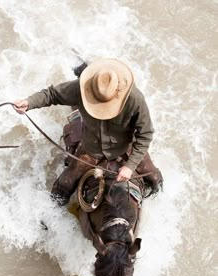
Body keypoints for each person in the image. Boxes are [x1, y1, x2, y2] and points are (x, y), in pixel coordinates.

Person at [14, 58, 163, 206]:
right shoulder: (82, 88)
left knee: (154, 177)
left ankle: (159, 201)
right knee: (63, 187)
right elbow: (52, 94)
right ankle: (49, 221)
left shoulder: (134, 99)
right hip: (91, 149)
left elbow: (146, 134)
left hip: (126, 148)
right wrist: (29, 102)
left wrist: (130, 166)